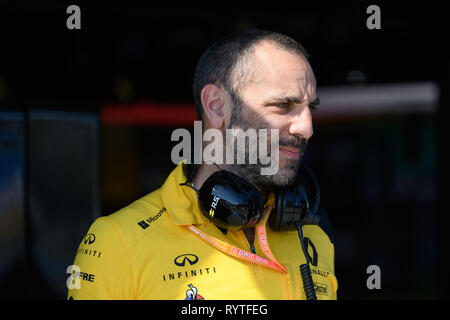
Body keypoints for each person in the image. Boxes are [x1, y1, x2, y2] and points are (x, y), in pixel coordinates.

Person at [67, 29, 337, 300]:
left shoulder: (313, 233)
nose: (306, 127)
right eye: (283, 105)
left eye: (309, 108)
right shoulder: (117, 242)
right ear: (217, 107)